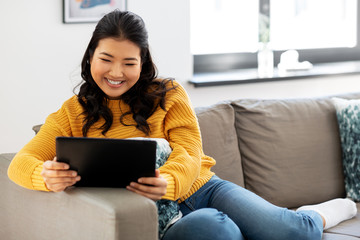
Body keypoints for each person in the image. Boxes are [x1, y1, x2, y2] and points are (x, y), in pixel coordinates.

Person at [7, 10, 357, 240]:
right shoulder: (73, 112)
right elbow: (19, 165)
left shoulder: (169, 94)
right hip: (148, 211)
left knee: (292, 231)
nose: (116, 73)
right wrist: (45, 176)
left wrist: (168, 181)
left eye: (129, 62)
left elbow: (190, 153)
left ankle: (332, 210)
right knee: (219, 230)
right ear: (90, 58)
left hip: (202, 188)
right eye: (106, 59)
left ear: (142, 64)